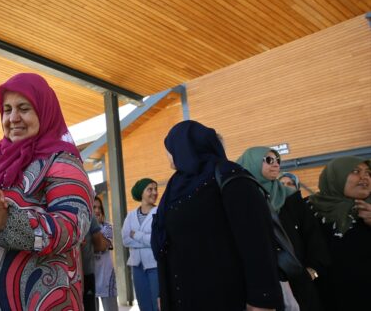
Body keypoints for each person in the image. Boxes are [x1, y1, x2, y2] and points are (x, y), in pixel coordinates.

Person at [0, 72, 93, 310]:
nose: (13, 118)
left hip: (41, 300)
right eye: (7, 109)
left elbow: (72, 227)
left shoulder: (62, 162)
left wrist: (6, 219)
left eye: (24, 108)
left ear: (44, 110)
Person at [151, 120, 282, 310]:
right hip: (185, 295)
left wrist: (262, 299)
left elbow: (256, 242)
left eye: (170, 147)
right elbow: (168, 245)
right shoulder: (176, 184)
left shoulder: (231, 176)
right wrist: (164, 292)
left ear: (186, 145)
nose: (168, 154)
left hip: (224, 294)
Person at [237, 147, 328, 311]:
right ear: (252, 163)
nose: (276, 165)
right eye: (269, 160)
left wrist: (312, 271)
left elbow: (312, 235)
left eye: (278, 160)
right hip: (262, 286)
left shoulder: (290, 197)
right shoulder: (241, 200)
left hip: (298, 282)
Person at [308, 156, 371, 310]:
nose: (365, 177)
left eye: (368, 172)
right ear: (335, 176)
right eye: (356, 171)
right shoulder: (309, 210)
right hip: (327, 299)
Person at [122, 178, 159, 311]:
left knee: (158, 304)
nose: (154, 192)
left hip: (155, 265)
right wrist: (148, 240)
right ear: (141, 193)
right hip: (137, 266)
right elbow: (125, 240)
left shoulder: (160, 212)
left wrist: (136, 235)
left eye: (155, 189)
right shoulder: (130, 216)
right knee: (144, 305)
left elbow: (157, 240)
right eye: (150, 189)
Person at [94, 196, 118, 311]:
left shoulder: (107, 227)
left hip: (107, 278)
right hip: (90, 278)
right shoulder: (83, 228)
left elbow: (101, 246)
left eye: (99, 208)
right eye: (94, 207)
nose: (97, 211)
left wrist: (94, 227)